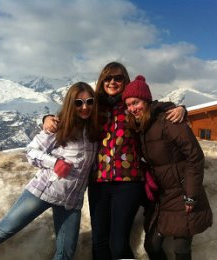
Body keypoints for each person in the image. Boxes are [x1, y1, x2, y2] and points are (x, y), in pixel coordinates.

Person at [43, 62, 186, 260]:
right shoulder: (93, 106)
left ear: (125, 81)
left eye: (118, 78)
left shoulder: (132, 105)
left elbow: (156, 107)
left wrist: (180, 108)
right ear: (102, 81)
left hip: (129, 183)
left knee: (118, 245)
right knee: (99, 242)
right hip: (98, 183)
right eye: (108, 78)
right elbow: (70, 113)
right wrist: (47, 117)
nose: (112, 82)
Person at [0, 82, 99, 260]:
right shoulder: (59, 126)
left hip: (71, 202)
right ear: (71, 104)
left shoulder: (94, 131)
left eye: (89, 102)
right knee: (4, 229)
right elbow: (31, 151)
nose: (85, 107)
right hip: (43, 191)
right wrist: (54, 163)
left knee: (66, 253)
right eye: (79, 103)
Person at [122, 75, 213, 260]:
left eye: (136, 102)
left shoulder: (169, 121)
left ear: (146, 100)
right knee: (152, 246)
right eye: (129, 104)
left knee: (181, 249)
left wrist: (191, 194)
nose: (132, 108)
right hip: (162, 197)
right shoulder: (141, 126)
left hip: (183, 193)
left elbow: (194, 156)